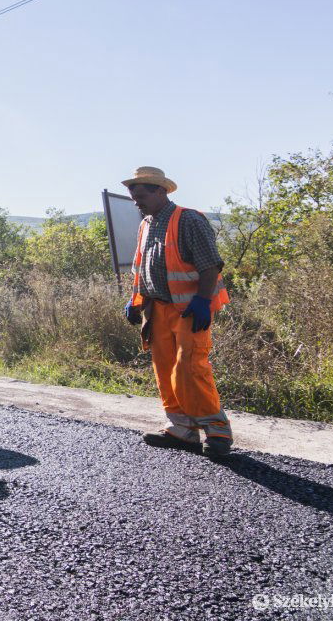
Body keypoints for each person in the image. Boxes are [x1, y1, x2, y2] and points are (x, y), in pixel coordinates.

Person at [121, 166, 233, 457]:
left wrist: (201, 301)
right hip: (157, 310)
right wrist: (137, 304)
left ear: (161, 191)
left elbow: (210, 264)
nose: (136, 201)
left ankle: (217, 430)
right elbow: (141, 270)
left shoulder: (189, 220)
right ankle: (182, 430)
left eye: (141, 195)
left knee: (190, 368)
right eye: (133, 196)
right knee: (165, 369)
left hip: (189, 309)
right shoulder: (146, 223)